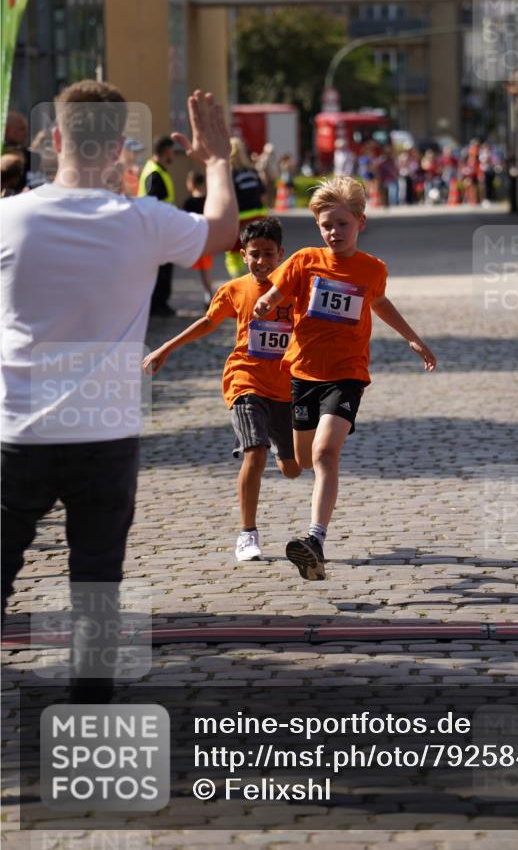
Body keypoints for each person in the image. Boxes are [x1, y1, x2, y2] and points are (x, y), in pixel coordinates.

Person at [0, 83, 238, 700]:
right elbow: (221, 231)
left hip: (17, 432)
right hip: (104, 435)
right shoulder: (143, 221)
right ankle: (89, 715)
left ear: (57, 140)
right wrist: (215, 162)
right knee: (97, 584)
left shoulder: (9, 217)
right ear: (118, 148)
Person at [253, 177, 437, 582]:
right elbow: (276, 293)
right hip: (303, 372)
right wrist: (267, 302)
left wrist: (412, 338)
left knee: (324, 454)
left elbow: (380, 301)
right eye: (326, 225)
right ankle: (312, 527)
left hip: (348, 374)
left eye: (342, 224)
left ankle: (315, 540)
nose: (334, 232)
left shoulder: (372, 269)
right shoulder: (304, 260)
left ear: (361, 223)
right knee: (303, 461)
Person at [143, 217, 301, 562]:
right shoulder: (235, 290)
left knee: (293, 468)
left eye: (269, 254)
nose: (262, 262)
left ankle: (278, 446)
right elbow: (207, 322)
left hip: (286, 387)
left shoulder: (295, 288)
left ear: (281, 255)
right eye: (255, 254)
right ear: (244, 255)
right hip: (245, 380)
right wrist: (166, 347)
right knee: (254, 452)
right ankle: (248, 534)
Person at [138, 135, 178, 316]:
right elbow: (152, 203)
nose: (174, 156)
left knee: (163, 268)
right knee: (161, 269)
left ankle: (160, 304)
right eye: (172, 152)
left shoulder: (157, 170)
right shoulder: (154, 173)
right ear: (165, 151)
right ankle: (158, 305)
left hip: (161, 228)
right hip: (157, 230)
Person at [226, 136, 267, 279]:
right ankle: (257, 279)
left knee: (233, 255)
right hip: (258, 217)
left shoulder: (229, 174)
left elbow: (227, 199)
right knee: (256, 251)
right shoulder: (252, 171)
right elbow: (263, 195)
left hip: (239, 219)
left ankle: (238, 282)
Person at [183, 169, 215, 305]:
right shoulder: (207, 200)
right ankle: (208, 294)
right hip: (206, 236)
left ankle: (210, 295)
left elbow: (185, 221)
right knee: (204, 268)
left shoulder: (189, 202)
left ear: (191, 183)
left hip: (197, 238)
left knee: (204, 268)